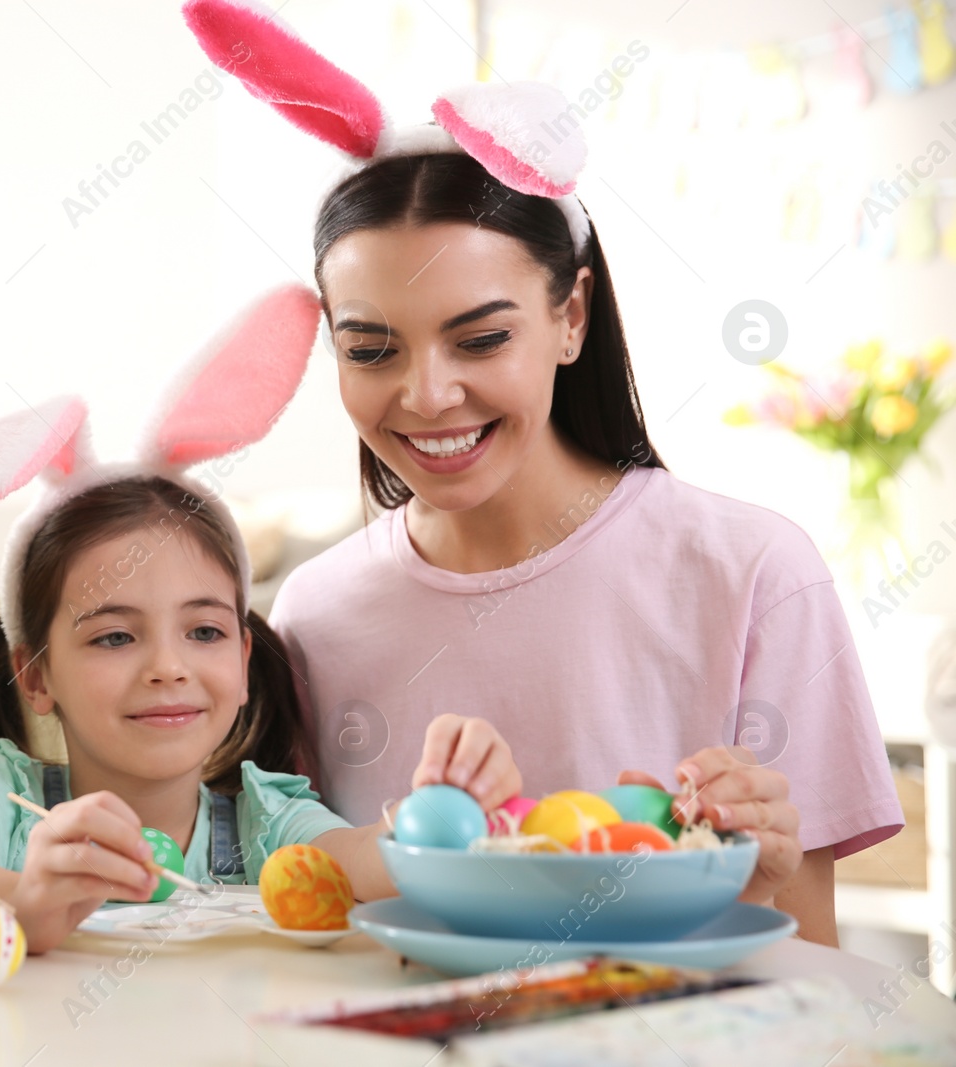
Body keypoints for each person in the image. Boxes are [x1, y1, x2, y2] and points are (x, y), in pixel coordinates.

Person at [183, 0, 902, 946]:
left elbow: (811, 959)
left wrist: (758, 877)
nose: (428, 394)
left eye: (481, 337)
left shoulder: (756, 572)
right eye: (371, 349)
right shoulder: (315, 612)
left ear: (572, 314)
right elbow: (304, 920)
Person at [0, 292, 523, 952]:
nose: (167, 667)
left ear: (240, 661)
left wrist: (444, 809)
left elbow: (364, 861)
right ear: (35, 677)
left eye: (203, 632)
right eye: (114, 636)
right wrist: (24, 903)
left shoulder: (268, 822)